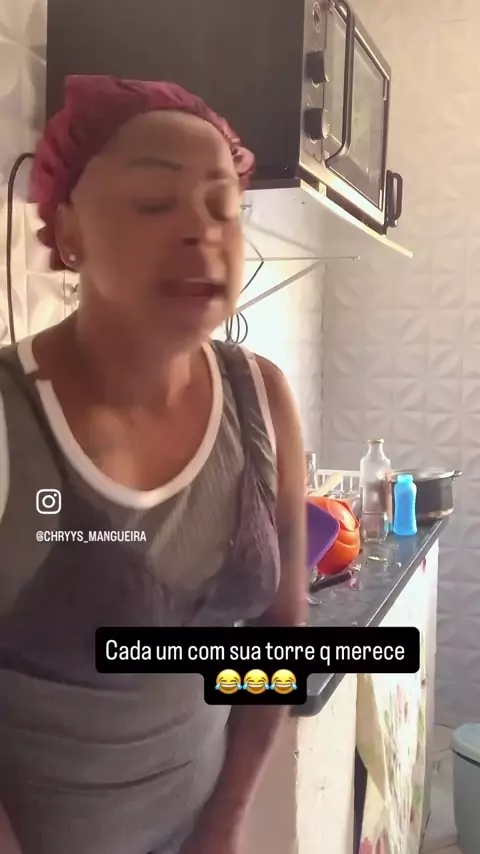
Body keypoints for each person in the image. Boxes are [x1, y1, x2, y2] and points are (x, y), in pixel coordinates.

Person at [0, 75, 307, 854]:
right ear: (67, 228)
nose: (201, 230)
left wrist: (226, 821)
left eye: (223, 206)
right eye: (152, 201)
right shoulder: (11, 414)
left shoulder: (262, 396)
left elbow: (280, 630)